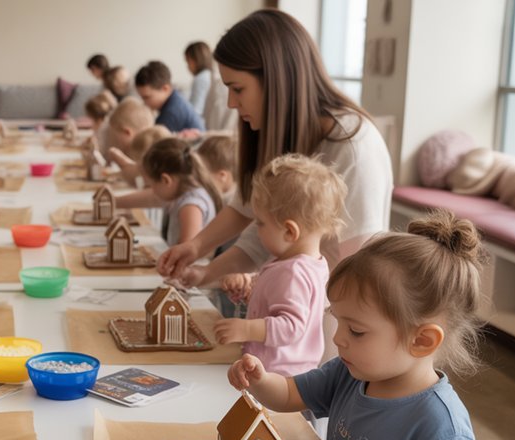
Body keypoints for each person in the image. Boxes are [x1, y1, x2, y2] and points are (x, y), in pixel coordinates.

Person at [228, 210, 482, 440]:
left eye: (357, 331)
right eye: (338, 320)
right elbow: (287, 395)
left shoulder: (442, 425)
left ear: (422, 340)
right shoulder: (351, 373)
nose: (338, 338)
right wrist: (260, 378)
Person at [158, 9, 393, 299]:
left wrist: (267, 285)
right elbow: (253, 224)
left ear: (277, 80)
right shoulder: (277, 134)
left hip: (329, 324)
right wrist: (200, 260)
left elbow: (357, 270)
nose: (231, 103)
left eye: (238, 89)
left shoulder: (353, 145)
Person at [213, 154, 346, 376]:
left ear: (289, 231)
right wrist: (250, 287)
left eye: (261, 223)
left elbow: (291, 327)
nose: (258, 230)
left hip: (279, 375)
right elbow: (278, 299)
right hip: (283, 370)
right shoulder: (309, 264)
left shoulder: (293, 271)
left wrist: (246, 329)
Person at [115, 137, 223, 246]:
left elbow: (186, 251)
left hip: (193, 263)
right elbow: (150, 198)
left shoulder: (191, 206)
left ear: (165, 180)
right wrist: (113, 202)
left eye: (151, 185)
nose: (152, 191)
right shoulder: (180, 192)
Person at [134, 60, 204, 133]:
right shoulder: (176, 99)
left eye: (147, 97)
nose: (144, 103)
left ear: (165, 89)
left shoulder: (171, 113)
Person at [184, 41, 216, 117]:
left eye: (187, 61)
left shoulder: (200, 79)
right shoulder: (211, 75)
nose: (187, 66)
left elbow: (195, 110)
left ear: (195, 60)